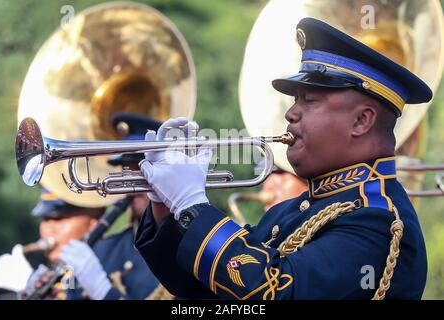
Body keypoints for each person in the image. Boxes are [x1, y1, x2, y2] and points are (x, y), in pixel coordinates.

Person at [134, 18, 431, 300]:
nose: (291, 113)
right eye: (295, 99)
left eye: (310, 100)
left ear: (362, 121)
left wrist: (191, 205)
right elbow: (203, 289)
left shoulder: (377, 221)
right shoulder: (287, 213)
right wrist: (167, 206)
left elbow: (275, 291)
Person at [26, 188, 159, 300]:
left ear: (94, 223)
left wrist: (104, 293)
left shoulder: (105, 254)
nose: (49, 229)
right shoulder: (93, 258)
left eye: (59, 219)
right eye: (46, 219)